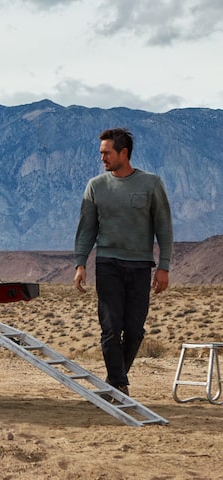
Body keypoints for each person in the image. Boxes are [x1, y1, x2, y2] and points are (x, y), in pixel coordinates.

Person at [74, 127, 173, 397]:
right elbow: (87, 229)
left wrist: (164, 266)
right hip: (108, 264)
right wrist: (80, 263)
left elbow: (163, 226)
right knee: (110, 328)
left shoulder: (151, 184)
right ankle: (120, 384)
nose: (102, 158)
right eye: (101, 153)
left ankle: (113, 381)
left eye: (107, 153)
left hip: (141, 266)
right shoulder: (96, 186)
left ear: (124, 153)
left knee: (134, 331)